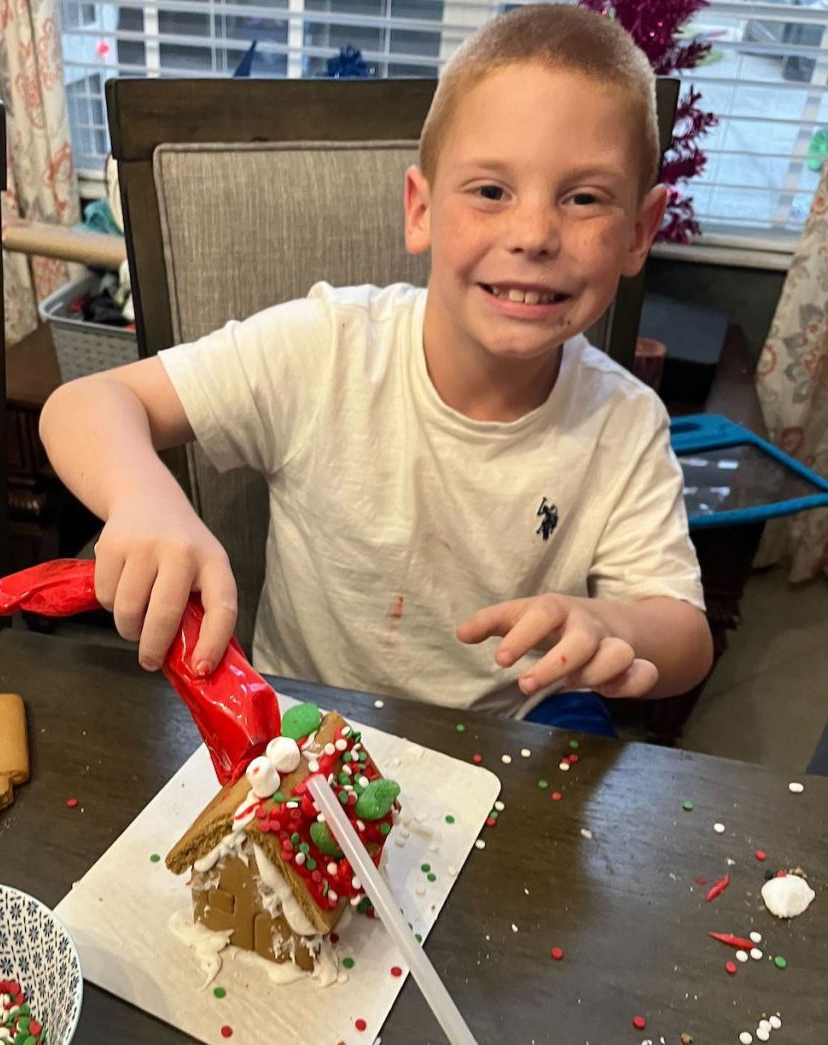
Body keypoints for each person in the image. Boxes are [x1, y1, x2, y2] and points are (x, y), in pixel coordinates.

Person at [39, 3, 713, 736]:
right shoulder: (327, 346)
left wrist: (609, 623)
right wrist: (145, 498)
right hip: (304, 723)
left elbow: (683, 634)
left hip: (509, 730)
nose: (533, 235)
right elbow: (85, 404)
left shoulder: (624, 421)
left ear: (640, 232)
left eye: (584, 198)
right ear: (420, 210)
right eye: (491, 191)